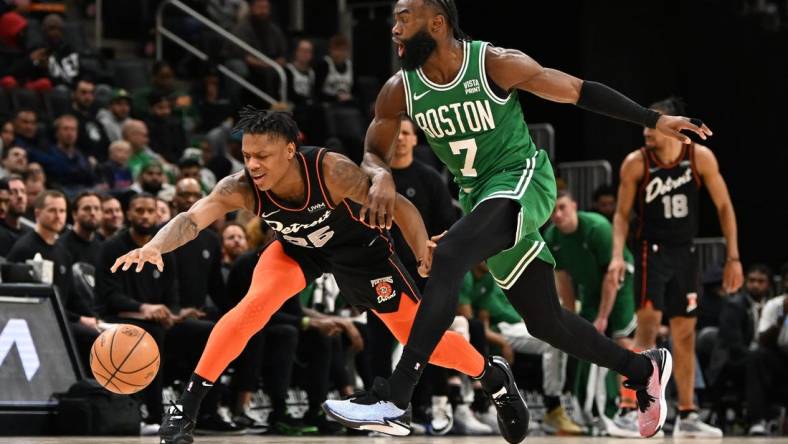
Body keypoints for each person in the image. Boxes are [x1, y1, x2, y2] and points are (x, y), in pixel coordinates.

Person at [327, 1, 710, 441]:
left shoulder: (494, 64)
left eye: (403, 18)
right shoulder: (400, 89)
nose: (394, 29)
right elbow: (374, 151)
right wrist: (379, 178)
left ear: (437, 24)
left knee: (449, 253)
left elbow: (577, 90)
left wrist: (654, 119)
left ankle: (395, 397)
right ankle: (644, 368)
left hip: (523, 180)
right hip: (480, 199)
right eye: (394, 19)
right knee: (544, 321)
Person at [109, 109, 501, 444]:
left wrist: (420, 254)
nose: (254, 165)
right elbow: (192, 219)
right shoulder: (241, 187)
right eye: (247, 156)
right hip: (298, 249)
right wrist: (155, 247)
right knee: (254, 306)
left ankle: (492, 376)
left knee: (415, 337)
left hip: (359, 252)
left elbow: (401, 209)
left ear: (290, 151)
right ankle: (186, 410)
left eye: (263, 155)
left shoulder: (331, 171)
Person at [610, 97, 742, 438]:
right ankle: (629, 408)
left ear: (674, 126)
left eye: (653, 123)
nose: (646, 130)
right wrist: (615, 255)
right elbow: (622, 216)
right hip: (649, 251)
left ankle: (687, 413)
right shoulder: (636, 163)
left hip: (685, 252)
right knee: (648, 329)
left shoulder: (699, 157)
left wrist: (734, 257)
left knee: (685, 335)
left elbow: (725, 207)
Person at [544, 190, 639, 436]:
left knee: (621, 339)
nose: (557, 214)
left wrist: (603, 316)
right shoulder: (552, 237)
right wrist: (567, 317)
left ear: (574, 205)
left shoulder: (597, 228)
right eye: (553, 210)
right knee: (583, 338)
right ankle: (587, 411)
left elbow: (611, 274)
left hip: (618, 281)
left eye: (562, 207)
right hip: (590, 288)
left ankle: (628, 409)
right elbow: (563, 280)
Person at [57, 191, 102, 265]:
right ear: (74, 214)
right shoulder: (61, 246)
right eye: (86, 208)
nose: (93, 213)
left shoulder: (102, 247)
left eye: (97, 208)